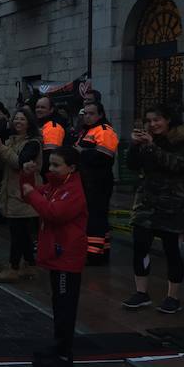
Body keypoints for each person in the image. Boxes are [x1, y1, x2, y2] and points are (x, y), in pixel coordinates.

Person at [123, 104, 184, 314]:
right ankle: (141, 292)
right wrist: (135, 145)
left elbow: (177, 164)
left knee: (172, 251)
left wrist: (152, 146)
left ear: (168, 120)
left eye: (157, 120)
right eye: (149, 121)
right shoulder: (148, 140)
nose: (153, 124)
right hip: (147, 202)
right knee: (140, 246)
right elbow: (132, 165)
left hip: (173, 204)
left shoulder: (182, 140)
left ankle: (172, 296)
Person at [21, 147, 88, 367]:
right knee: (59, 304)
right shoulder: (56, 186)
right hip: (57, 254)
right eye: (50, 164)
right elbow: (31, 194)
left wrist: (32, 192)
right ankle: (59, 346)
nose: (51, 169)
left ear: (71, 167)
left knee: (65, 306)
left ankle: (63, 354)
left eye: (57, 165)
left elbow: (53, 213)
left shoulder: (73, 190)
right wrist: (28, 177)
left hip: (66, 257)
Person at [0, 107, 42, 282]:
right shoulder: (11, 141)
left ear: (29, 123)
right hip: (11, 192)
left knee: (18, 233)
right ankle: (30, 265)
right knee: (22, 232)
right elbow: (0, 165)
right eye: (16, 119)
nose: (18, 122)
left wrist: (1, 148)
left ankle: (13, 267)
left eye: (22, 119)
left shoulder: (33, 143)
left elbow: (18, 163)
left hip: (23, 193)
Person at [74, 101, 118, 264]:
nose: (87, 116)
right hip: (88, 180)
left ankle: (94, 255)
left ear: (100, 115)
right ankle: (100, 251)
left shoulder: (104, 130)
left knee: (96, 218)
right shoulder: (87, 131)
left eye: (91, 113)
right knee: (94, 217)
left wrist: (81, 153)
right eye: (85, 113)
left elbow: (105, 157)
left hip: (99, 181)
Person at [35, 96, 66, 177]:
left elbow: (51, 155)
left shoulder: (53, 127)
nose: (39, 110)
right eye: (37, 107)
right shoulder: (41, 124)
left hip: (46, 173)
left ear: (51, 110)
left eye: (43, 107)